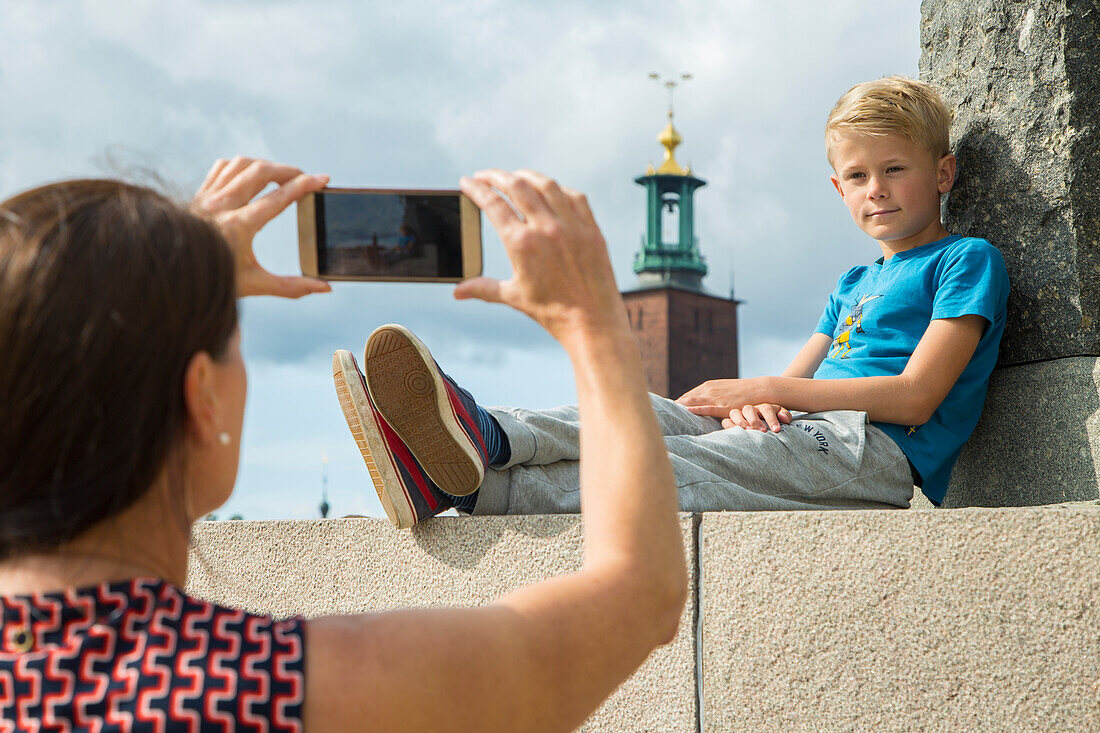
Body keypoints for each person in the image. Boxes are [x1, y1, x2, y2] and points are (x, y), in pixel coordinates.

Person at [0, 158, 687, 730]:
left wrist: (160, 296)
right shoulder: (273, 690)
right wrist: (593, 323)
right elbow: (640, 593)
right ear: (202, 398)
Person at [334, 76, 1011, 529]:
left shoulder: (965, 261)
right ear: (838, 188)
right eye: (859, 176)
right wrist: (753, 402)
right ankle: (484, 435)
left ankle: (465, 485)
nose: (877, 190)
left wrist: (760, 387)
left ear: (942, 172)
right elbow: (795, 386)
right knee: (642, 412)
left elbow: (921, 394)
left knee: (677, 466)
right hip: (801, 433)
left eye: (896, 170)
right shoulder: (850, 283)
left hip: (872, 454)